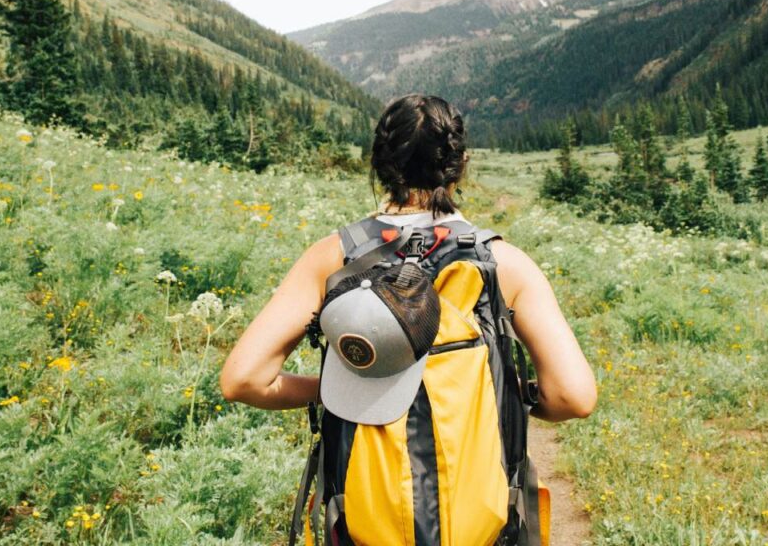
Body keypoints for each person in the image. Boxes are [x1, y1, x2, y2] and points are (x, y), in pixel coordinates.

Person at [220, 94, 596, 423]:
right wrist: (499, 392)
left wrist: (337, 392)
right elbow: (572, 398)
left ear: (379, 166)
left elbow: (244, 380)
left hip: (363, 500)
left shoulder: (333, 256)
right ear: (461, 164)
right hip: (479, 502)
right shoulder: (504, 262)